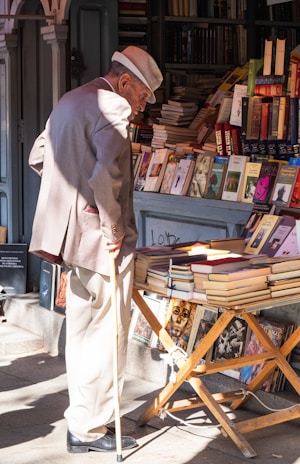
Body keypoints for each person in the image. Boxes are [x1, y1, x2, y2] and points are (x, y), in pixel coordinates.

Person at [28, 46, 163, 453]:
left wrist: (71, 198)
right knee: (107, 336)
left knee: (85, 333)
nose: (140, 108)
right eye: (141, 97)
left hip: (71, 239)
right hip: (103, 244)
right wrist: (112, 229)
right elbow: (107, 177)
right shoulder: (113, 108)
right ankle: (90, 427)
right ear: (124, 82)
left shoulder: (70, 100)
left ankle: (85, 419)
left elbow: (39, 156)